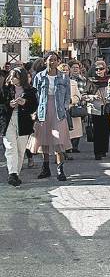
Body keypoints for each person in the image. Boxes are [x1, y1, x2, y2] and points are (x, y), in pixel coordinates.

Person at [29, 52, 73, 181]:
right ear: (45, 61)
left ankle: (60, 169)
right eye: (50, 60)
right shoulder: (39, 77)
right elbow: (34, 94)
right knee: (44, 139)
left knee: (58, 140)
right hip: (43, 110)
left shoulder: (64, 77)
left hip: (58, 111)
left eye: (55, 60)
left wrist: (65, 107)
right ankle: (46, 167)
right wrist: (35, 110)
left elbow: (67, 95)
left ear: (58, 61)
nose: (52, 62)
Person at [1, 67, 37, 186]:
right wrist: (8, 104)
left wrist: (25, 103)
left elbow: (33, 107)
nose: (12, 78)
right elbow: (1, 105)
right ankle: (12, 174)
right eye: (11, 76)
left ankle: (16, 174)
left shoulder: (31, 91)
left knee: (21, 149)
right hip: (8, 121)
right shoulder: (6, 89)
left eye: (15, 76)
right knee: (10, 147)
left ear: (21, 78)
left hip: (24, 122)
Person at [86, 60, 110, 161]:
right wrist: (92, 97)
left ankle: (104, 150)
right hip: (96, 108)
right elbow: (84, 95)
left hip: (107, 108)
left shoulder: (109, 80)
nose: (99, 71)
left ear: (105, 69)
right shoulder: (91, 80)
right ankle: (97, 152)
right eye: (96, 69)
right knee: (97, 131)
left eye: (101, 69)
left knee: (106, 130)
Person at [58, 62, 83, 161]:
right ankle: (60, 153)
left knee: (69, 134)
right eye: (62, 70)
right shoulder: (55, 82)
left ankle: (67, 152)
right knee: (60, 134)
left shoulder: (73, 83)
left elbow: (78, 96)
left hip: (70, 109)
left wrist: (72, 100)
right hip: (59, 111)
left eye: (66, 70)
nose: (65, 72)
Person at [68, 60, 88, 153]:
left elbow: (85, 90)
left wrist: (83, 98)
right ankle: (69, 146)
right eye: (73, 67)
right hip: (69, 104)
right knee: (69, 125)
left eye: (77, 68)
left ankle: (75, 145)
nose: (75, 69)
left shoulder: (83, 79)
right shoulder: (67, 79)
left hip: (79, 104)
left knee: (78, 126)